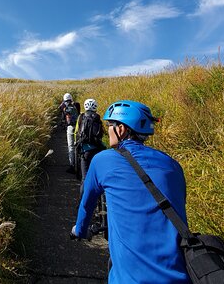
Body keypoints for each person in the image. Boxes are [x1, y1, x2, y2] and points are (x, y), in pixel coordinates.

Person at [71, 100, 190, 284]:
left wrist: (80, 230)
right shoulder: (172, 164)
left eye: (110, 125)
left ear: (121, 129)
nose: (107, 130)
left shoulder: (102, 160)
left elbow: (87, 205)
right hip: (181, 277)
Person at [74, 98, 105, 195]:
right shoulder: (97, 118)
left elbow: (76, 132)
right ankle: (100, 201)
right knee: (97, 176)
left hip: (85, 151)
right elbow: (101, 134)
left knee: (85, 178)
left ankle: (83, 201)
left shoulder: (81, 117)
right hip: (97, 150)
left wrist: (77, 144)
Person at [58, 93, 79, 173]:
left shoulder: (65, 107)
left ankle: (72, 165)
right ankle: (78, 163)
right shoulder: (75, 105)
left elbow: (60, 109)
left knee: (71, 147)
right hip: (77, 127)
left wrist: (63, 105)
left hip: (70, 127)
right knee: (77, 145)